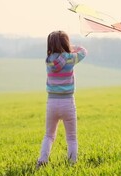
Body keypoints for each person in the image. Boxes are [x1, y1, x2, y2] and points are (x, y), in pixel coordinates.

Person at [37, 30, 87, 167]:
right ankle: (72, 163)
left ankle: (42, 160)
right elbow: (83, 52)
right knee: (71, 137)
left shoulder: (48, 61)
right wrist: (72, 47)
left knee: (49, 135)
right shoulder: (70, 58)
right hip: (68, 103)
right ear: (66, 43)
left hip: (52, 103)